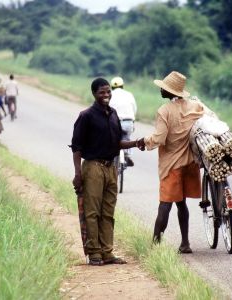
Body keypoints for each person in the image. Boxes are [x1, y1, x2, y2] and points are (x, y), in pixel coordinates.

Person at [71, 77, 141, 266]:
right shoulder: (86, 116)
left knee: (108, 212)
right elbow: (76, 147)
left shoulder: (113, 114)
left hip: (111, 168)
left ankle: (107, 252)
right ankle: (94, 253)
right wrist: (78, 174)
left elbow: (118, 143)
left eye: (108, 91)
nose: (106, 95)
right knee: (92, 212)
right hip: (92, 167)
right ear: (94, 94)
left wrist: (136, 143)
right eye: (102, 92)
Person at [137, 71, 208, 254]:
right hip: (190, 163)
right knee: (181, 203)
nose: (161, 89)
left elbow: (159, 138)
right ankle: (185, 243)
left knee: (165, 204)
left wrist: (143, 141)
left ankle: (154, 246)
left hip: (172, 165)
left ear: (170, 92)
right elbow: (209, 119)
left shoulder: (164, 111)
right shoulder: (196, 106)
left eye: (164, 88)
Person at [109, 76, 138, 167]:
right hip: (128, 122)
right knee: (126, 138)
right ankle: (126, 155)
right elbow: (134, 109)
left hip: (114, 123)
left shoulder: (109, 95)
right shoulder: (129, 94)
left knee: (110, 141)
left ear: (112, 87)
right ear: (122, 86)